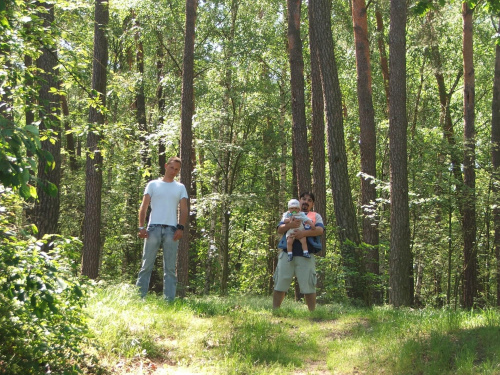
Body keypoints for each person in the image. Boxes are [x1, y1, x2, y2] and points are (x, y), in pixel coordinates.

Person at [136, 156, 188, 301]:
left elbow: (184, 210)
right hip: (153, 228)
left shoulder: (180, 187)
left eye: (177, 169)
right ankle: (139, 298)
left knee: (170, 268)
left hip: (172, 230)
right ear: (166, 166)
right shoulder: (153, 184)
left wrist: (181, 228)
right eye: (172, 167)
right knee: (147, 265)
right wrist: (141, 227)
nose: (174, 171)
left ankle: (169, 301)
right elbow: (144, 206)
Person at [273, 192, 324, 311]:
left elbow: (319, 230)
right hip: (286, 253)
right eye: (303, 199)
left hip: (306, 255)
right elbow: (280, 230)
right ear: (299, 201)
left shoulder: (315, 216)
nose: (306, 201)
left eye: (309, 200)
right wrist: (290, 224)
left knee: (309, 285)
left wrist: (303, 233)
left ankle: (312, 314)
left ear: (312, 204)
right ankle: (275, 311)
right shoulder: (288, 214)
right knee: (280, 283)